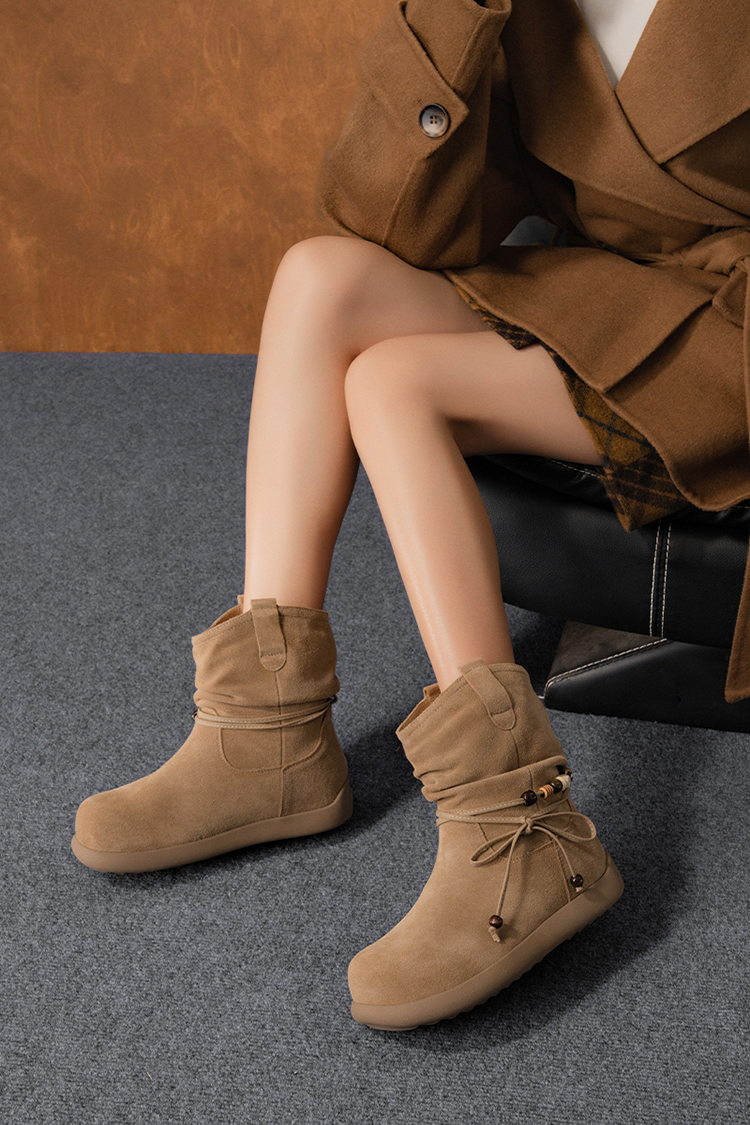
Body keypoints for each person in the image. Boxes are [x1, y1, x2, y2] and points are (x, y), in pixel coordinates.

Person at [71, 0, 750, 1030]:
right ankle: (266, 729)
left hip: (728, 336)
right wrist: (453, 19)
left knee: (394, 385)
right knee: (320, 278)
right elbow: (392, 224)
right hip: (617, 290)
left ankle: (524, 828)